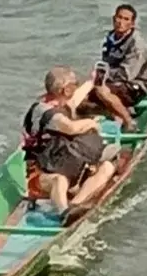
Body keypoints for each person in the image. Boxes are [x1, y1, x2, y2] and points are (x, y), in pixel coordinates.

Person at [22, 67, 119, 219]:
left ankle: (74, 207)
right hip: (43, 173)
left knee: (107, 167)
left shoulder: (62, 103)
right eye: (74, 84)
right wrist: (91, 123)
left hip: (68, 164)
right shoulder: (45, 112)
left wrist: (92, 81)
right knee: (59, 180)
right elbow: (71, 128)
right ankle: (63, 211)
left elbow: (75, 98)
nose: (76, 88)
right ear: (65, 89)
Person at [90, 3, 147, 131]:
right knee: (83, 90)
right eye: (119, 17)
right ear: (113, 19)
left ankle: (129, 122)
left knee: (101, 90)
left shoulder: (137, 45)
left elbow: (126, 74)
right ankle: (113, 113)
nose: (121, 22)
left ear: (132, 24)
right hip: (115, 81)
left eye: (126, 19)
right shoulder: (110, 39)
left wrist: (103, 77)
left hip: (136, 85)